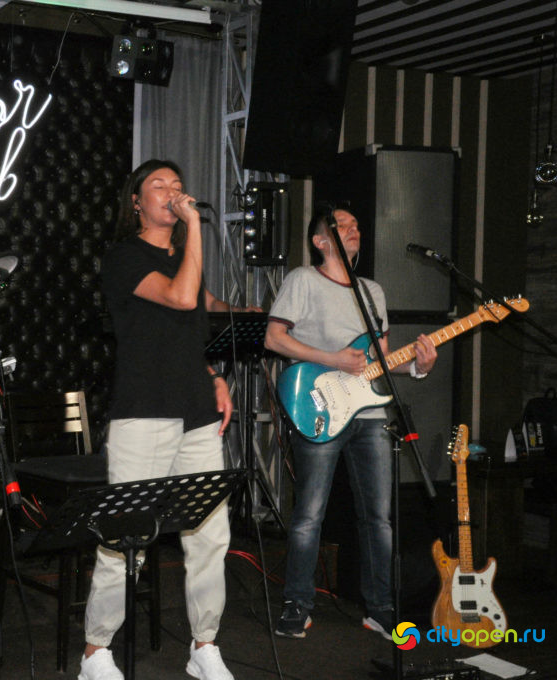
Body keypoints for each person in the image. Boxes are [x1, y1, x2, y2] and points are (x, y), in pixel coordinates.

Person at [80, 159, 239, 680]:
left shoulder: (185, 256)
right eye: (159, 186)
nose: (172, 192)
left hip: (197, 413)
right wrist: (194, 227)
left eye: (178, 185)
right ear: (137, 201)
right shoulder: (124, 257)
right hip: (144, 413)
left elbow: (188, 332)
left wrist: (214, 376)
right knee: (125, 539)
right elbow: (181, 298)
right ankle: (96, 652)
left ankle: (204, 645)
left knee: (210, 535)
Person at [264, 205, 437, 640]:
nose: (353, 229)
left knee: (378, 518)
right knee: (309, 515)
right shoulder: (303, 280)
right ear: (320, 240)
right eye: (341, 225)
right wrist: (333, 359)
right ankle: (297, 604)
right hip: (320, 405)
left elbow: (382, 360)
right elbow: (274, 337)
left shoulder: (371, 291)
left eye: (356, 225)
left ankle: (380, 608)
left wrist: (418, 367)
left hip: (371, 414)